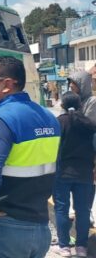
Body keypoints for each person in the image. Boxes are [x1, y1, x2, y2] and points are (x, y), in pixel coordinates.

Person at [0, 55, 60, 258]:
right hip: (40, 227)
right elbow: (56, 167)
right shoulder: (48, 117)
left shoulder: (1, 119)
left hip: (5, 228)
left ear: (7, 84)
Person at [52, 92, 96, 257]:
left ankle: (63, 247)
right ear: (81, 106)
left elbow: (52, 149)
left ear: (62, 105)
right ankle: (81, 248)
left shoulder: (59, 123)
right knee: (83, 210)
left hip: (62, 172)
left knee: (62, 209)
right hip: (84, 173)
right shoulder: (90, 124)